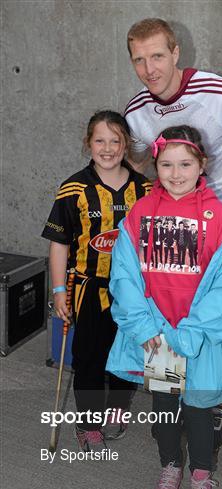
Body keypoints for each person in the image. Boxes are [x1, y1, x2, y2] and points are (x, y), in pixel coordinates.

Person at [106, 125, 222, 489]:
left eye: (185, 163)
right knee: (164, 407)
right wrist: (147, 330)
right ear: (155, 165)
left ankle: (202, 476)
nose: (175, 173)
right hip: (157, 335)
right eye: (167, 164)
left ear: (202, 164)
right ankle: (170, 466)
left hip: (199, 338)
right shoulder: (139, 214)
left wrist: (190, 333)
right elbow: (124, 275)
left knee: (199, 410)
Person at [42, 110, 151, 452]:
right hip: (89, 288)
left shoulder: (145, 189)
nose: (107, 148)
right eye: (99, 140)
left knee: (127, 353)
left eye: (115, 140)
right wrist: (59, 289)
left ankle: (117, 409)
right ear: (88, 143)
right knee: (89, 356)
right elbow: (59, 244)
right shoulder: (73, 188)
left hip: (134, 291)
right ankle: (88, 421)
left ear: (126, 144)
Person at [124, 18, 222, 208]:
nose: (149, 69)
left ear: (175, 54)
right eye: (139, 60)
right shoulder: (135, 113)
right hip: (178, 217)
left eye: (157, 56)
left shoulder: (221, 94)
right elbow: (136, 164)